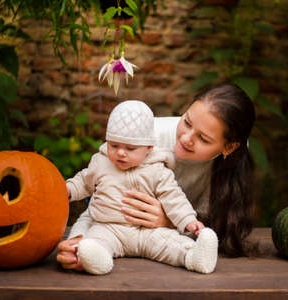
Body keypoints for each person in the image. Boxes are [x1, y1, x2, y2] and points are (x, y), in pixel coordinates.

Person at [57, 84, 255, 271]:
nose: (186, 138)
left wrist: (169, 221)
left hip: (158, 238)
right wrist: (78, 242)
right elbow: (99, 198)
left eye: (203, 138)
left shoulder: (230, 165)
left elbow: (205, 227)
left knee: (180, 247)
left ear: (229, 147)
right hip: (110, 229)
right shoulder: (141, 135)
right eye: (186, 122)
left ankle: (192, 258)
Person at [65, 100, 218, 275]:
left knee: (170, 242)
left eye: (130, 148)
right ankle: (98, 259)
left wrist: (189, 221)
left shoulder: (158, 170)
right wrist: (67, 190)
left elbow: (174, 198)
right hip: (110, 228)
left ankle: (193, 256)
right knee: (96, 239)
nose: (120, 152)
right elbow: (83, 182)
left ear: (148, 148)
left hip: (148, 231)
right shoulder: (101, 163)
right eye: (114, 145)